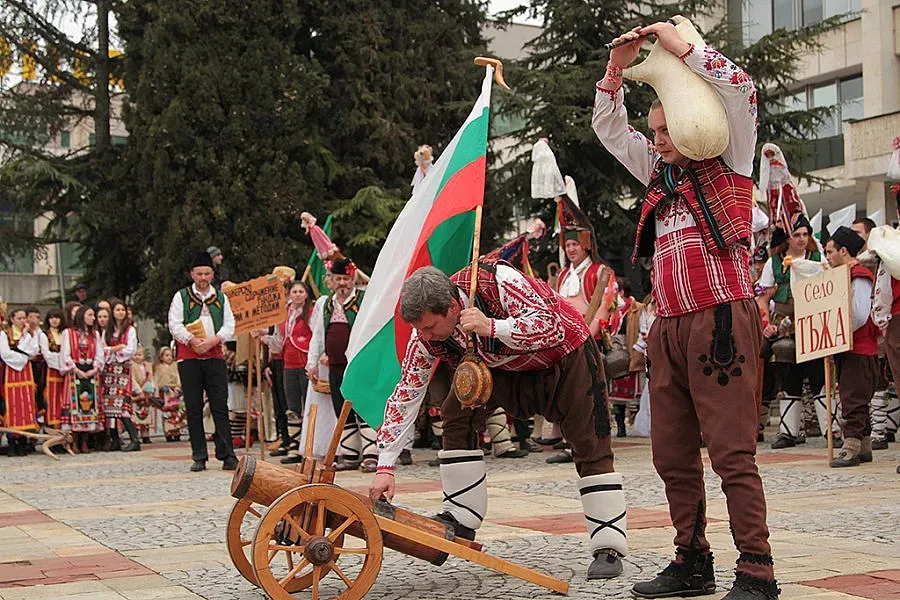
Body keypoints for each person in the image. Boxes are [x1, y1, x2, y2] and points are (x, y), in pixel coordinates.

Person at [594, 22, 778, 599]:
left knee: (731, 451)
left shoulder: (734, 162)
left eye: (668, 127)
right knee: (671, 453)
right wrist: (615, 74)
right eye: (655, 129)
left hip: (722, 316)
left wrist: (685, 51)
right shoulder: (658, 172)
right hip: (669, 325)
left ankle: (757, 569)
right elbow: (608, 128)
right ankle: (692, 560)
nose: (659, 138)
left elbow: (743, 90)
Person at [370, 262, 628, 581]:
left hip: (563, 356)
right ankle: (461, 517)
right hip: (501, 369)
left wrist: (491, 327)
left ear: (452, 306)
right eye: (420, 329)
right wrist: (386, 466)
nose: (424, 335)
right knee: (456, 412)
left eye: (429, 327)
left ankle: (608, 545)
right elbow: (408, 391)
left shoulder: (498, 281)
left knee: (590, 440)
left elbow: (550, 326)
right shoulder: (426, 332)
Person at [756, 218, 837, 449]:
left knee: (818, 378)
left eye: (805, 234)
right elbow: (762, 299)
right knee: (789, 376)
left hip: (812, 326)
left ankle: (831, 430)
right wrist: (766, 325)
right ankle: (789, 432)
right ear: (788, 237)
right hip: (785, 327)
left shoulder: (817, 260)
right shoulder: (774, 263)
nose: (802, 239)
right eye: (797, 234)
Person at [167, 251, 238, 472]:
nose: (203, 278)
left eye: (207, 273)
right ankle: (199, 455)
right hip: (189, 358)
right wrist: (192, 340)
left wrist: (214, 340)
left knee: (220, 405)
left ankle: (227, 454)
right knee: (194, 406)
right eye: (199, 274)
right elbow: (174, 324)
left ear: (212, 274)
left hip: (214, 356)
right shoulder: (182, 296)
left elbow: (229, 325)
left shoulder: (221, 297)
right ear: (192, 274)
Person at [306, 257, 378, 472]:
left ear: (353, 279)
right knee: (341, 410)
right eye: (338, 279)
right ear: (332, 280)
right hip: (335, 366)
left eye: (346, 279)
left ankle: (371, 456)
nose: (342, 283)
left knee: (362, 408)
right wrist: (312, 362)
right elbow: (318, 335)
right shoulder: (325, 304)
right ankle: (350, 455)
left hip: (358, 366)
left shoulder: (364, 300)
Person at [824, 227, 880, 467]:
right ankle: (864, 446)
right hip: (851, 348)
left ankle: (851, 448)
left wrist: (835, 333)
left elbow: (858, 315)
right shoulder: (844, 275)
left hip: (859, 348)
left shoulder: (859, 275)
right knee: (855, 397)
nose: (827, 257)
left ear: (843, 251)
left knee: (853, 399)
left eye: (830, 252)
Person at [264, 280, 313, 457]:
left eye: (301, 291)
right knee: (292, 406)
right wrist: (262, 337)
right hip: (289, 363)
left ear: (306, 294)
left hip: (305, 362)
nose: (298, 294)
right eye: (295, 291)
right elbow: (277, 343)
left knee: (308, 403)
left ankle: (308, 445)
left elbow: (317, 337)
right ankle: (294, 445)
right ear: (289, 294)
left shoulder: (311, 312)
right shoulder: (283, 314)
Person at [61, 305, 105, 454]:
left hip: (91, 372)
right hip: (75, 372)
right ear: (82, 316)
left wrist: (94, 369)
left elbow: (100, 354)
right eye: (90, 315)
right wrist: (76, 369)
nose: (93, 318)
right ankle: (74, 440)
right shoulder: (68, 333)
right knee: (75, 406)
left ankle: (85, 441)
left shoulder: (95, 334)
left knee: (89, 405)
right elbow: (65, 354)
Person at [101, 300, 142, 452]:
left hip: (123, 369)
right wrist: (116, 348)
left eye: (122, 310)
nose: (120, 313)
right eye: (117, 310)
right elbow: (102, 348)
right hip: (109, 369)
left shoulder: (130, 330)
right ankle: (115, 439)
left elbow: (130, 350)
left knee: (122, 404)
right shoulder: (108, 330)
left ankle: (134, 438)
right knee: (109, 406)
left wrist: (113, 351)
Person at [0, 308, 41, 456]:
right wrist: (23, 357)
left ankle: (23, 440)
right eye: (19, 318)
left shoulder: (31, 334)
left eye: (24, 318)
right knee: (12, 407)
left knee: (26, 405)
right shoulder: (4, 334)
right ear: (12, 319)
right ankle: (12, 440)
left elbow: (34, 351)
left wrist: (25, 339)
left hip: (26, 375)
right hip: (11, 374)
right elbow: (5, 354)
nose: (23, 321)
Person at [38, 308, 67, 432]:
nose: (54, 320)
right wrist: (61, 361)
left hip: (66, 371)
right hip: (52, 371)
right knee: (52, 399)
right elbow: (47, 354)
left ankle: (64, 429)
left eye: (57, 317)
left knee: (63, 400)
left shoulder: (65, 333)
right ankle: (52, 429)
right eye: (51, 317)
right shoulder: (44, 335)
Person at [154, 347, 186, 442]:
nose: (169, 358)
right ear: (161, 357)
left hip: (175, 390)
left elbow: (179, 377)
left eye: (170, 356)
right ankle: (168, 432)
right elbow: (156, 380)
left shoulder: (175, 366)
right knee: (167, 413)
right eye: (166, 355)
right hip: (164, 391)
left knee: (177, 411)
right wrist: (158, 389)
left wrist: (178, 388)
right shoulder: (158, 367)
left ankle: (176, 432)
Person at [131, 346, 155, 444]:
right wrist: (138, 390)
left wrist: (152, 388)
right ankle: (135, 435)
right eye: (135, 355)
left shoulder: (148, 366)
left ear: (144, 356)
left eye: (139, 355)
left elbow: (151, 378)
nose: (137, 357)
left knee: (146, 413)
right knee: (135, 414)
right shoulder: (131, 366)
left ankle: (145, 435)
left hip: (146, 391)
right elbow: (131, 379)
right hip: (136, 392)